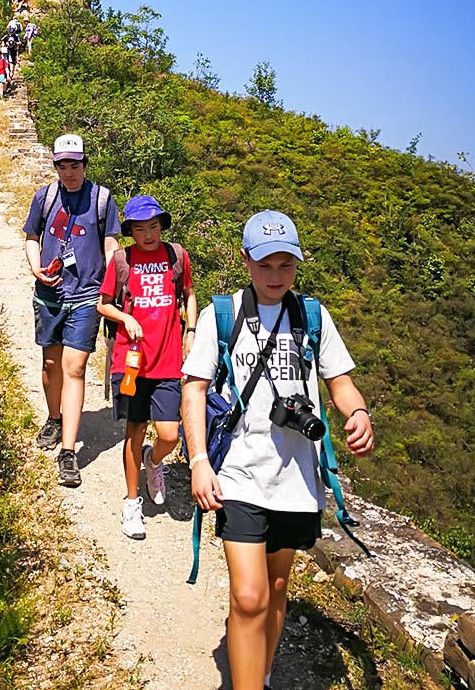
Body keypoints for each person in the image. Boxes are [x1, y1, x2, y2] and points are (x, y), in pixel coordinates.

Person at [182, 211, 374, 690]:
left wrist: (358, 414)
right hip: (240, 475)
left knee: (276, 588)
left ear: (296, 266)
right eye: (265, 264)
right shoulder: (221, 315)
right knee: (249, 597)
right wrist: (200, 462)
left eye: (285, 266)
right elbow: (194, 390)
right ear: (245, 261)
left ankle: (261, 674)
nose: (274, 276)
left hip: (296, 481)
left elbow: (339, 381)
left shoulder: (311, 316)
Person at [23, 134, 120, 487]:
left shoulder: (102, 199)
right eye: (62, 166)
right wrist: (36, 269)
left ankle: (68, 451)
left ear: (84, 164)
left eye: (74, 165)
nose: (68, 172)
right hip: (49, 293)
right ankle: (54, 416)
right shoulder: (45, 197)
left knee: (74, 367)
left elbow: (111, 242)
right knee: (51, 363)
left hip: (86, 294)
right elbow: (32, 236)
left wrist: (114, 283)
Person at [98, 195, 197, 539]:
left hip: (168, 361)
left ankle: (153, 462)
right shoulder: (123, 260)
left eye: (154, 227)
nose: (149, 235)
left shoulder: (176, 256)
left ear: (162, 226)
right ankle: (131, 501)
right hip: (131, 361)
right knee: (134, 429)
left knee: (169, 435)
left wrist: (191, 330)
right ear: (130, 232)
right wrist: (125, 316)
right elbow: (104, 305)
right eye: (140, 229)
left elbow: (189, 294)